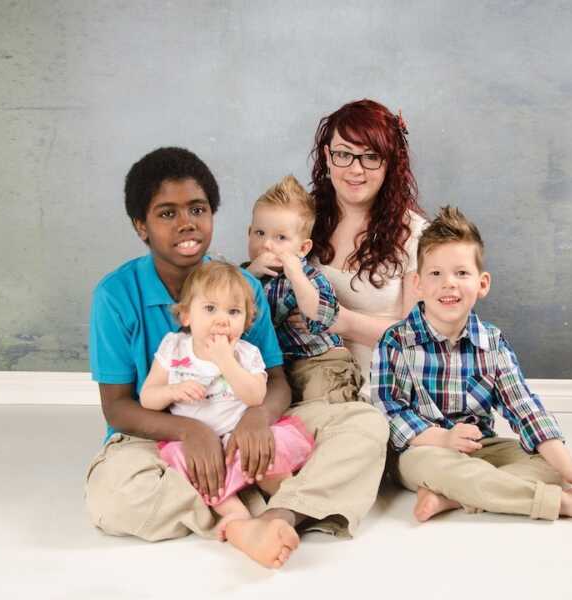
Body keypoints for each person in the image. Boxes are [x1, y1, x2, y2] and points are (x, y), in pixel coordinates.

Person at [85, 147, 388, 570]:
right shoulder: (115, 296)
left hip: (243, 422)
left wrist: (258, 417)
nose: (186, 222)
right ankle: (240, 520)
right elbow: (117, 407)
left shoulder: (241, 285)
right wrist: (190, 431)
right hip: (160, 436)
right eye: (166, 214)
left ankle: (280, 515)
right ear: (142, 227)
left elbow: (278, 380)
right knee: (110, 497)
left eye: (198, 208)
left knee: (367, 424)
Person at [370, 206, 572, 526]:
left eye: (461, 273)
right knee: (439, 468)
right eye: (435, 273)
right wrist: (444, 440)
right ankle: (562, 504)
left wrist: (570, 469)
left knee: (547, 466)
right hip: (421, 451)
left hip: (481, 446)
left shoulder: (491, 342)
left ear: (482, 283)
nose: (448, 284)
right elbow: (389, 414)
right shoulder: (395, 341)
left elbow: (524, 407)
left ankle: (451, 496)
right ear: (418, 284)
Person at [139, 260, 314, 549]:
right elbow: (148, 397)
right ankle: (236, 516)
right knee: (181, 461)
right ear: (186, 316)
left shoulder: (246, 354)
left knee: (271, 452)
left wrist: (225, 361)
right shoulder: (173, 348)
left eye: (233, 312)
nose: (222, 320)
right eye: (210, 309)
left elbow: (256, 396)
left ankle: (281, 504)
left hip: (239, 437)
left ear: (246, 322)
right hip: (198, 447)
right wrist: (172, 390)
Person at [288, 99, 427, 391]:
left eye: (370, 156)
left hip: (385, 390)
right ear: (327, 156)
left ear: (390, 162)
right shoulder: (299, 219)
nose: (355, 169)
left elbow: (417, 337)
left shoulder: (417, 235)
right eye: (343, 154)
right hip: (305, 381)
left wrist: (335, 319)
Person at [245, 175, 363, 405]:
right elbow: (233, 306)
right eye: (259, 233)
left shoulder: (309, 277)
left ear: (302, 248)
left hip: (320, 361)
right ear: (249, 233)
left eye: (280, 237)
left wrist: (296, 275)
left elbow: (316, 314)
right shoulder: (243, 277)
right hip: (279, 368)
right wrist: (250, 274)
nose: (267, 244)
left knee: (321, 401)